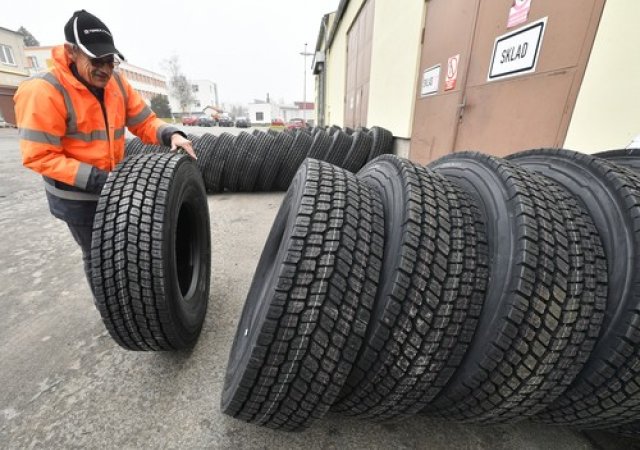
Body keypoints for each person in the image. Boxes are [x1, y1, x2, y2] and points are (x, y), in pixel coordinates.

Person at [14, 9, 196, 291]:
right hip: (75, 195)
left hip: (110, 187)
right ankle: (113, 311)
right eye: (97, 60)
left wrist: (170, 133)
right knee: (99, 256)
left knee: (125, 249)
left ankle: (141, 305)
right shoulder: (44, 91)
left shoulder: (117, 85)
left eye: (110, 60)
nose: (106, 69)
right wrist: (99, 180)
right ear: (71, 52)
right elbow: (39, 156)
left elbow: (144, 121)